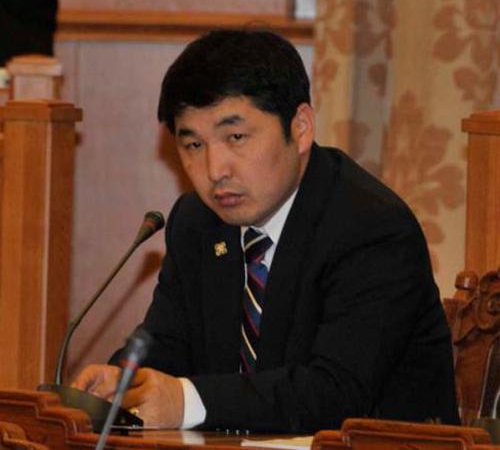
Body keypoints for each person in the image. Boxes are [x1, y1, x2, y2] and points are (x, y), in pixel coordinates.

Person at [73, 29, 460, 432]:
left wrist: (186, 401)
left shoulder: (372, 229)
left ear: (301, 127)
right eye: (194, 145)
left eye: (236, 137)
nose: (215, 170)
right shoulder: (196, 223)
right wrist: (123, 383)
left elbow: (336, 393)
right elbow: (167, 344)